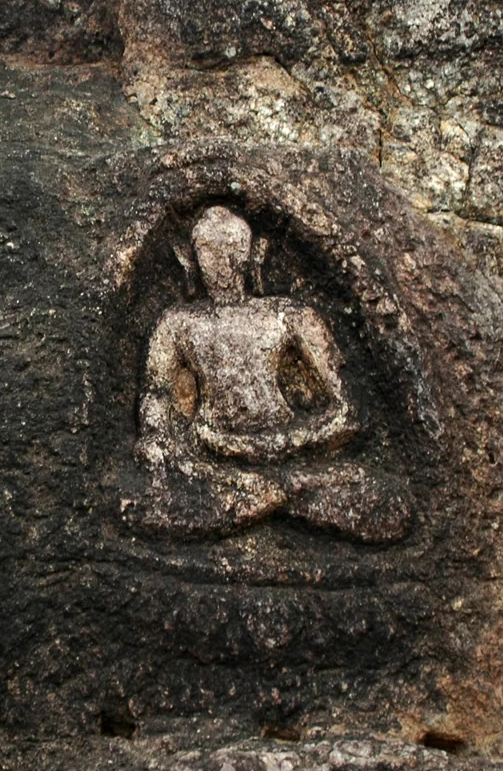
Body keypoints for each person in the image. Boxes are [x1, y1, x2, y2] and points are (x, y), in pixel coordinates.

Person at [134, 206, 408, 543]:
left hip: (289, 459)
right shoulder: (176, 323)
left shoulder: (290, 316)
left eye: (233, 249)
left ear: (253, 254)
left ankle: (262, 501)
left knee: (388, 500)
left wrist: (279, 443)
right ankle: (271, 501)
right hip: (212, 459)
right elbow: (157, 395)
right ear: (189, 258)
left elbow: (348, 413)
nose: (221, 261)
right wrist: (160, 439)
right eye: (207, 250)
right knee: (133, 499)